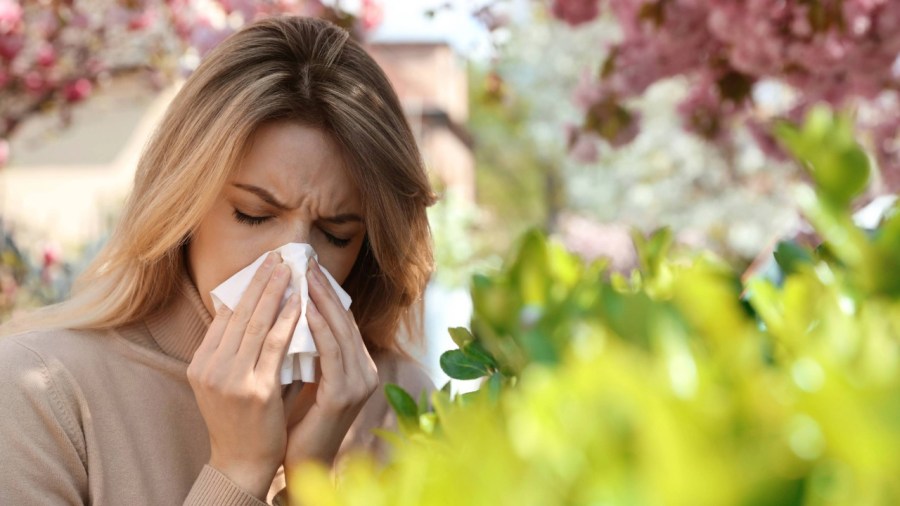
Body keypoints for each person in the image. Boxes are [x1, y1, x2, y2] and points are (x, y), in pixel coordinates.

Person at [0, 16, 437, 505]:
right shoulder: (39, 393)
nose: (293, 260)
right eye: (253, 215)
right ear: (183, 207)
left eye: (336, 233)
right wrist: (238, 470)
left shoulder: (397, 398)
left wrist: (313, 483)